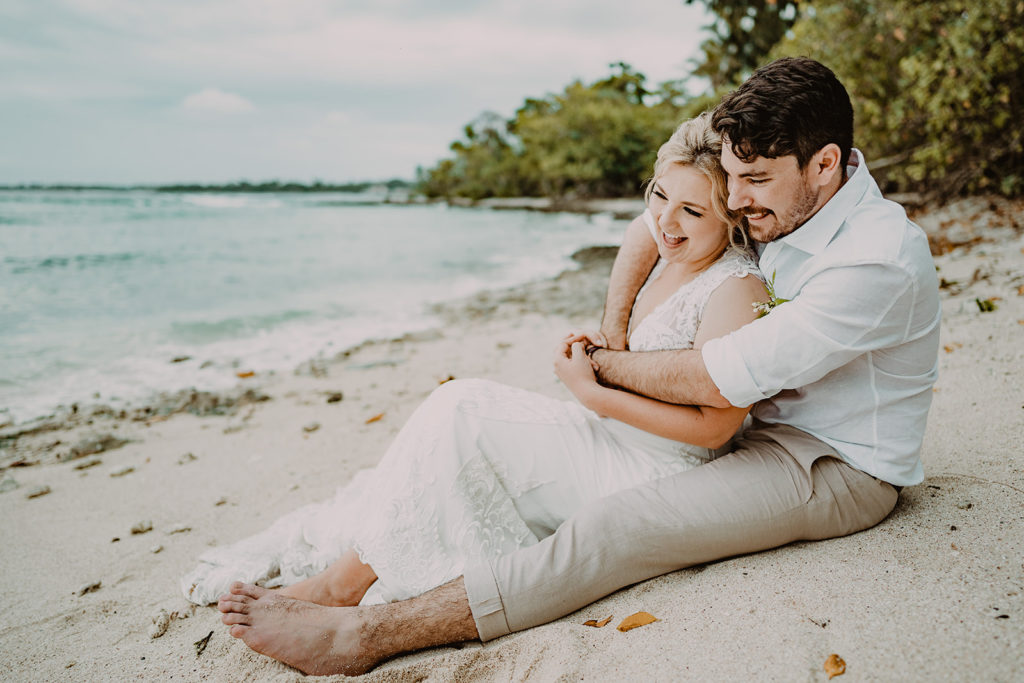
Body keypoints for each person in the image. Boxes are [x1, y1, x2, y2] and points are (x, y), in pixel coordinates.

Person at [214, 57, 941, 676]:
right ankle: (352, 577)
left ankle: (363, 635)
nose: (740, 197)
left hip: (831, 463)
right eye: (733, 179)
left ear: (825, 163)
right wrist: (614, 322)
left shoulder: (876, 259)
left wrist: (604, 371)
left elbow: (719, 379)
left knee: (615, 530)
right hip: (750, 422)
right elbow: (652, 223)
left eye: (753, 181)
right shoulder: (771, 204)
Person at [196, 113, 769, 672]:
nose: (666, 220)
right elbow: (639, 234)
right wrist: (611, 337)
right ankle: (347, 576)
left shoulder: (735, 289)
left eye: (691, 210)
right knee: (455, 418)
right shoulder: (668, 240)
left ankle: (342, 586)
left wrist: (593, 392)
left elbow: (715, 426)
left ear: (731, 217)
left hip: (653, 472)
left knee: (460, 409)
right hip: (610, 435)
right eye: (659, 195)